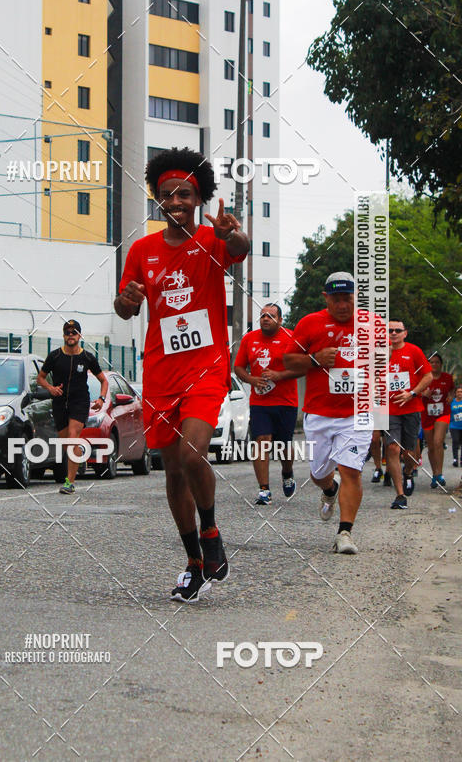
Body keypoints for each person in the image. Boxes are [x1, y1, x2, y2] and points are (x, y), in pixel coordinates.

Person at [114, 147, 249, 602]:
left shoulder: (213, 240)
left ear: (198, 198)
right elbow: (125, 306)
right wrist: (127, 300)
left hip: (206, 366)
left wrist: (234, 234)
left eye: (185, 194)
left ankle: (210, 530)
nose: (175, 201)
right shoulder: (142, 250)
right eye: (167, 194)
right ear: (158, 198)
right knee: (172, 470)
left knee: (193, 454)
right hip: (161, 370)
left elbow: (240, 249)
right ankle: (193, 562)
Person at [283, 272, 373, 555]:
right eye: (336, 299)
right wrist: (314, 359)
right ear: (326, 298)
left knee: (351, 470)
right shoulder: (310, 323)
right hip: (319, 413)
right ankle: (329, 489)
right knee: (319, 473)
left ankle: (344, 533)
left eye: (348, 298)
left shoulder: (371, 324)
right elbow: (288, 360)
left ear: (356, 297)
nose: (343, 305)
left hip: (357, 413)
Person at [234, 303, 299, 505]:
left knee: (283, 445)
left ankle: (287, 473)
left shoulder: (291, 337)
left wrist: (279, 375)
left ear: (280, 320)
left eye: (270, 316)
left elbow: (301, 367)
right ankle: (264, 490)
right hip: (260, 402)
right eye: (262, 315)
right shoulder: (249, 339)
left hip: (286, 401)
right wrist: (251, 379)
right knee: (262, 440)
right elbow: (238, 367)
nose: (265, 318)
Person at [37, 320, 108, 494]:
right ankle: (78, 457)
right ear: (63, 336)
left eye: (74, 333)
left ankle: (70, 482)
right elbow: (40, 378)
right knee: (67, 444)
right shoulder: (54, 356)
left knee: (72, 437)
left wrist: (101, 398)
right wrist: (50, 388)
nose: (71, 336)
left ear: (79, 336)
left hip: (79, 402)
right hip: (60, 402)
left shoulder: (87, 358)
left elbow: (103, 380)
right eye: (67, 333)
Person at [383, 321, 432, 507]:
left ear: (405, 333)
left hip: (411, 407)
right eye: (390, 330)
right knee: (392, 448)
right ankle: (400, 494)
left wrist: (412, 393)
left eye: (398, 330)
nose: (393, 333)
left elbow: (428, 376)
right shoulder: (379, 352)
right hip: (388, 409)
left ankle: (408, 472)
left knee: (409, 452)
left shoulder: (414, 351)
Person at [420, 352, 454, 488]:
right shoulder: (423, 378)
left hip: (443, 413)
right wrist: (423, 393)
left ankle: (440, 474)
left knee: (438, 441)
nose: (434, 364)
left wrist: (451, 396)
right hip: (427, 415)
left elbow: (452, 390)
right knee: (431, 446)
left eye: (437, 362)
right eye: (431, 362)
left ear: (441, 364)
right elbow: (414, 392)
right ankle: (434, 474)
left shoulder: (447, 377)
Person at [450, 385, 462, 468]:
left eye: (461, 392)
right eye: (458, 392)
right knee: (455, 441)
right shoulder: (452, 402)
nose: (460, 393)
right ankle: (455, 459)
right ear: (455, 393)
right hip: (454, 426)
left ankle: (461, 459)